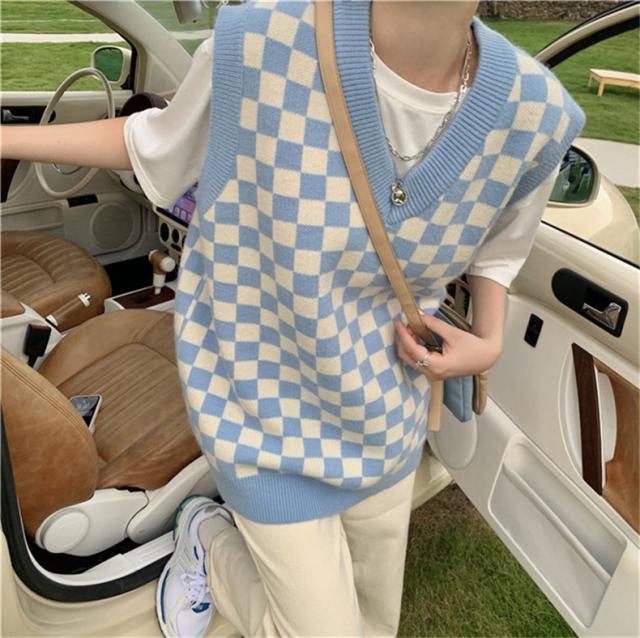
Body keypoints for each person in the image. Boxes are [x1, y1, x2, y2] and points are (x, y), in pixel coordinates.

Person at [0, 0, 585, 636]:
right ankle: (209, 538)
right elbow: (152, 144)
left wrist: (490, 340)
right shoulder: (258, 42)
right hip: (262, 418)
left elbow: (501, 246)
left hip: (386, 415)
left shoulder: (537, 114)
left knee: (376, 622)